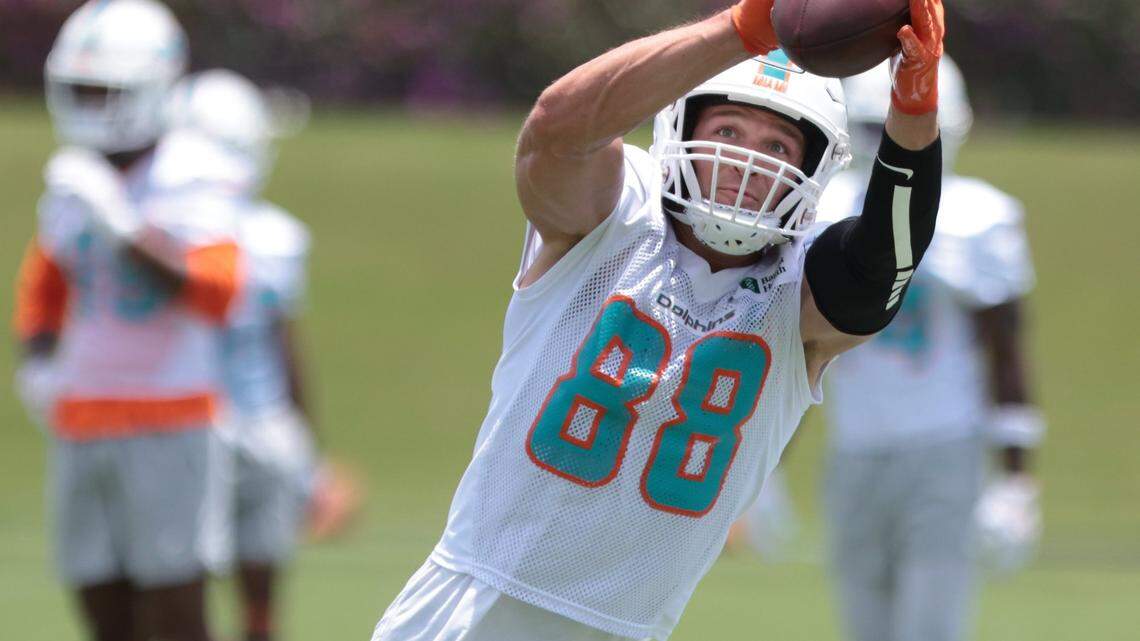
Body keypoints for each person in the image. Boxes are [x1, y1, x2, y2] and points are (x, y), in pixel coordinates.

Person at [371, 0, 948, 638]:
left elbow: (884, 263)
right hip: (473, 608)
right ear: (680, 128)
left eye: (778, 145)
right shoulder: (611, 217)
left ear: (813, 170)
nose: (746, 164)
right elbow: (557, 128)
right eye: (727, 132)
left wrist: (914, 116)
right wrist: (740, 30)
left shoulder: (804, 290)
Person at [12, 2, 245, 640]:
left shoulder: (193, 172)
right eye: (80, 88)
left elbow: (217, 291)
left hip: (168, 413)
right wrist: (36, 358)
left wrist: (123, 226)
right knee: (95, 591)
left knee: (173, 599)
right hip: (83, 413)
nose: (90, 102)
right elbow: (47, 279)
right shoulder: (73, 175)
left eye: (105, 89)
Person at [815, 56, 1043, 641]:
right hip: (854, 447)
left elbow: (1007, 352)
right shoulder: (825, 204)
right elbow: (799, 351)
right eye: (874, 128)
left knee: (930, 629)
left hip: (944, 444)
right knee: (863, 625)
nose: (890, 144)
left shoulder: (979, 217)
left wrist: (1016, 479)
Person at [168, 69, 319, 641]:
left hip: (189, 430)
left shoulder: (163, 233)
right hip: (260, 426)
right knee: (258, 606)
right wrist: (308, 450)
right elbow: (287, 351)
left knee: (183, 597)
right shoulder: (277, 236)